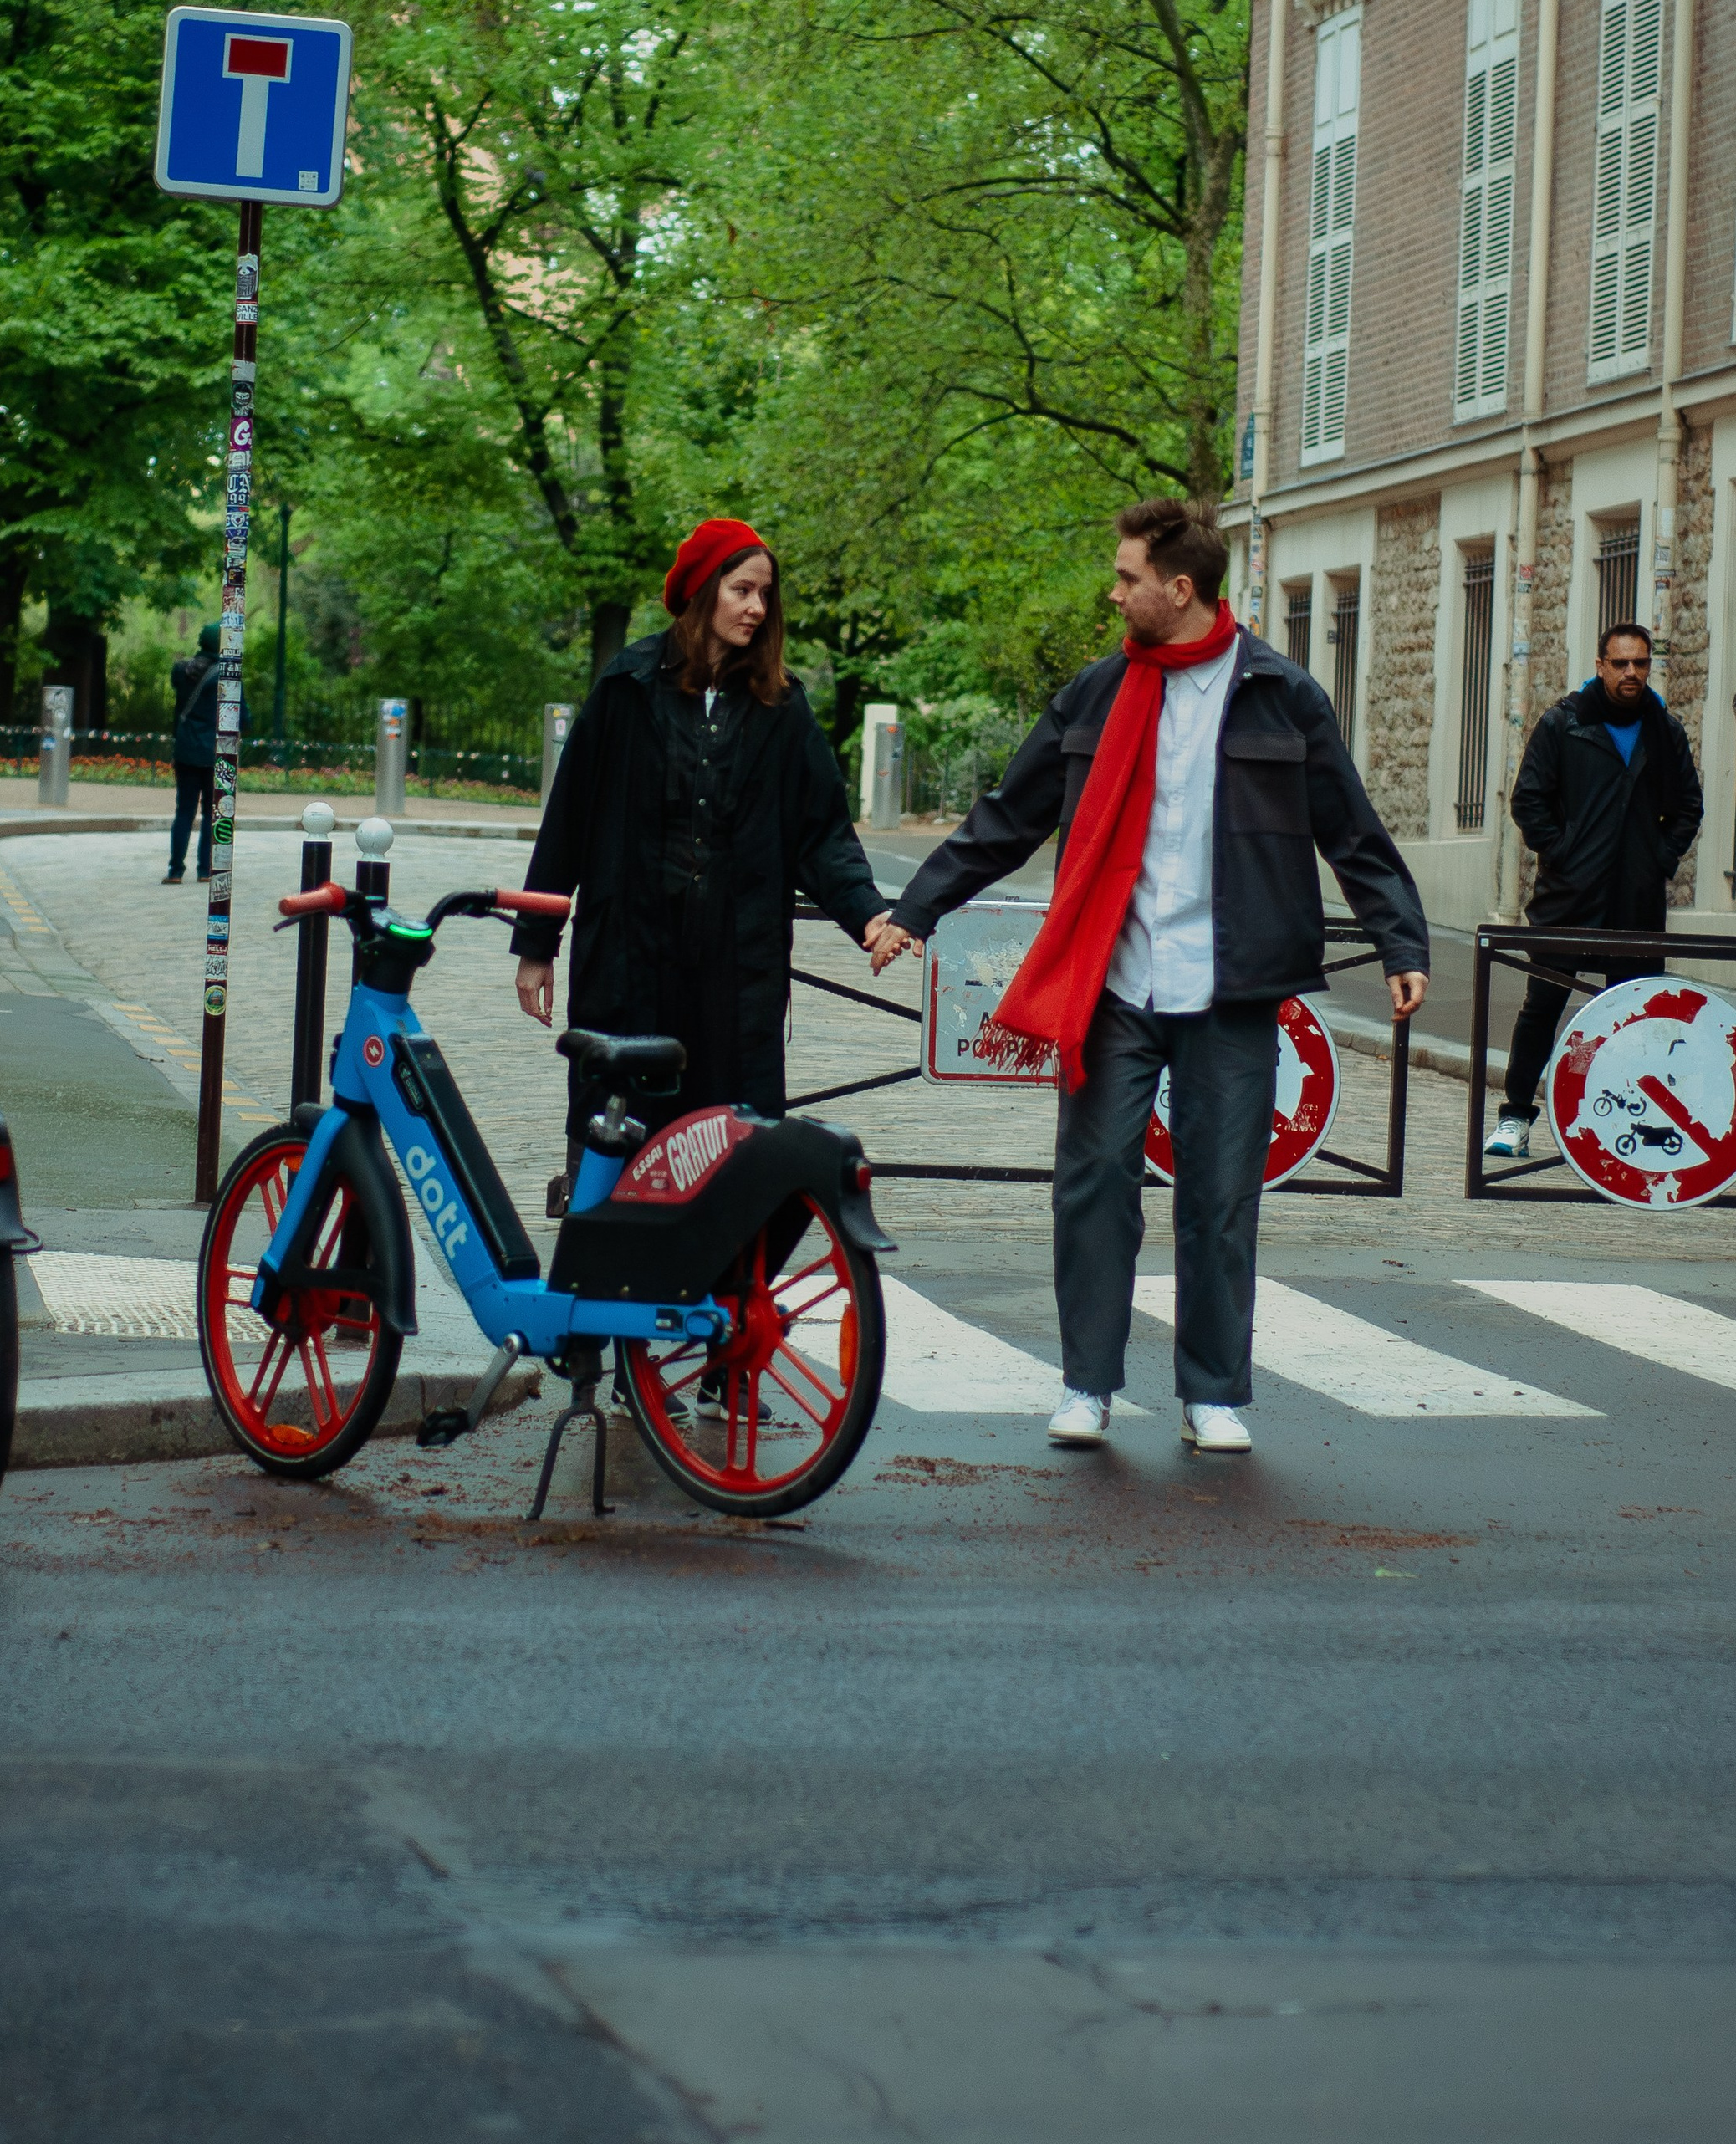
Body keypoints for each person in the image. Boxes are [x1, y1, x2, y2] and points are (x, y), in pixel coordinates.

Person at [870, 498, 1429, 1456]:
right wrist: (914, 909)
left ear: (1180, 590)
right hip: (1114, 983)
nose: (1114, 590)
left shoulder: (1281, 695)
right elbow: (1010, 815)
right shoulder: (1095, 693)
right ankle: (1086, 1383)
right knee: (1092, 1186)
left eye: (1127, 577)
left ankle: (1213, 1393)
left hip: (1231, 986)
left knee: (1219, 1196)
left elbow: (1352, 830)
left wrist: (1402, 945)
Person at [510, 519, 901, 1147]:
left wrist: (869, 914)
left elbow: (821, 832)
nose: (756, 606)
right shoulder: (627, 688)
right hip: (630, 960)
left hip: (735, 970)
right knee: (620, 1132)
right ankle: (613, 1244)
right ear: (702, 589)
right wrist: (537, 942)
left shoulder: (782, 706)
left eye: (765, 594)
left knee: (729, 1144)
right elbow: (569, 823)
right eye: (742, 589)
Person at [1486, 620, 1704, 1158]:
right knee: (1542, 1010)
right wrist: (1563, 854)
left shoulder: (1664, 731)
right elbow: (1528, 801)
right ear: (1600, 665)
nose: (1632, 673)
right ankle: (1514, 1119)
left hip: (1635, 904)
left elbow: (1688, 807)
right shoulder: (1564, 724)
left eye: (1641, 663)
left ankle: (1621, 1128)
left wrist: (1659, 859)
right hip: (1569, 900)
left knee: (1633, 1021)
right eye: (1621, 663)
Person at [166, 622, 223, 885]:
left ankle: (175, 870)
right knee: (212, 814)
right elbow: (242, 718)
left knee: (184, 811)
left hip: (186, 751)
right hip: (215, 754)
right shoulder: (227, 677)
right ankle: (204, 871)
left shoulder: (181, 671)